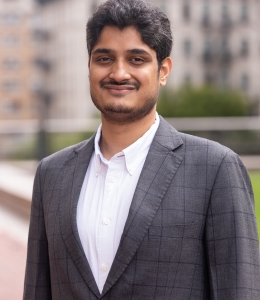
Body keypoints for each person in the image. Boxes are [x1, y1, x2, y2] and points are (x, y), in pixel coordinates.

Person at [23, 0, 260, 299]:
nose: (119, 73)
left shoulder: (216, 168)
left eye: (136, 59)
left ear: (163, 70)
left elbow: (239, 290)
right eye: (104, 58)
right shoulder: (51, 174)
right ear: (89, 67)